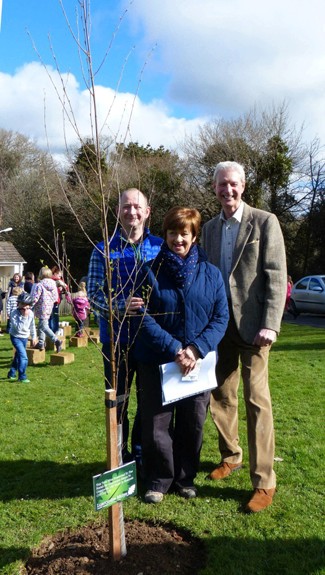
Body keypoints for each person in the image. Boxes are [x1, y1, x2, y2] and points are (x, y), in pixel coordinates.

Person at [201, 161, 287, 513]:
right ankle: (231, 456)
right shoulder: (208, 229)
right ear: (215, 188)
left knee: (256, 400)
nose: (228, 190)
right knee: (220, 396)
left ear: (244, 185)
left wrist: (271, 323)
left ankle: (264, 481)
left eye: (233, 184)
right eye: (222, 185)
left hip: (254, 328)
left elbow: (277, 275)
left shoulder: (265, 222)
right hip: (219, 328)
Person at [132, 207, 229, 503]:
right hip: (157, 360)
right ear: (165, 235)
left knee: (192, 423)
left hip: (196, 364)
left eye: (184, 233)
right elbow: (141, 316)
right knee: (155, 424)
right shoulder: (148, 271)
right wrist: (175, 349)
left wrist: (195, 349)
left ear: (194, 236)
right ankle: (158, 480)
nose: (178, 239)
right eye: (172, 233)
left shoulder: (211, 274)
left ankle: (185, 478)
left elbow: (220, 317)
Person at [87, 188, 163, 464]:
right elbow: (94, 295)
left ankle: (141, 455)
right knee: (118, 402)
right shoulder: (103, 250)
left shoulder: (160, 247)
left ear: (147, 211)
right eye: (126, 207)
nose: (132, 211)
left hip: (151, 339)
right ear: (117, 211)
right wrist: (121, 305)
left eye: (137, 206)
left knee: (148, 401)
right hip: (116, 340)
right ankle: (118, 457)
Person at [7, 292, 37, 383]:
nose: (24, 307)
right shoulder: (14, 314)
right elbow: (19, 329)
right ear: (18, 304)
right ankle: (22, 376)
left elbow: (32, 326)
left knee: (18, 355)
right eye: (22, 304)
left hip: (25, 337)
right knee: (24, 357)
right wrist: (24, 316)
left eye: (26, 305)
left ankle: (11, 373)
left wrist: (34, 337)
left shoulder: (31, 313)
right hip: (16, 337)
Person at [31, 266, 62, 353]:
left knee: (43, 326)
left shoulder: (39, 285)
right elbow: (56, 297)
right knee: (42, 324)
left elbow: (35, 298)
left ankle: (56, 340)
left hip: (41, 307)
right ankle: (41, 343)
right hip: (49, 307)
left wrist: (30, 306)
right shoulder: (53, 284)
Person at [49, 266, 69, 334]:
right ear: (55, 273)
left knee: (51, 316)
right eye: (59, 274)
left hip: (54, 300)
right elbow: (66, 287)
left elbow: (65, 288)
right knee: (54, 316)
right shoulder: (55, 280)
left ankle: (51, 330)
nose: (60, 276)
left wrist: (62, 289)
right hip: (54, 300)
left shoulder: (52, 280)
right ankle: (54, 331)